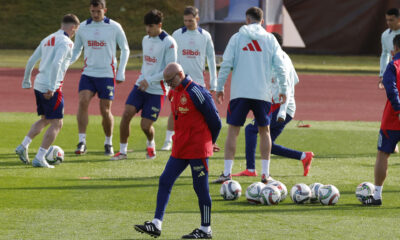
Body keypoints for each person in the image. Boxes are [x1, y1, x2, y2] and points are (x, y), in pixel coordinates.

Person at [134, 63, 221, 239]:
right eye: (165, 82)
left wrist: (210, 142)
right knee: (165, 180)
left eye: (170, 81)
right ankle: (156, 224)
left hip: (197, 149)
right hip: (180, 148)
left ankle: (206, 229)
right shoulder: (173, 93)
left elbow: (216, 121)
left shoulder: (197, 92)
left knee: (200, 188)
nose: (168, 85)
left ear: (180, 74)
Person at [212, 7, 287, 184]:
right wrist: (284, 89)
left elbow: (226, 63)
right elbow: (280, 66)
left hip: (240, 92)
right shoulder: (270, 39)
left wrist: (220, 86)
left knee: (233, 131)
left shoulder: (237, 38)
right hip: (262, 92)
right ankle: (265, 174)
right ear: (262, 21)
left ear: (246, 19)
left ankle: (227, 173)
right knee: (264, 131)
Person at [233, 32, 314, 178]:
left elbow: (289, 85)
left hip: (281, 107)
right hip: (282, 106)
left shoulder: (280, 60)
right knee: (268, 146)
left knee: (251, 130)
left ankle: (250, 170)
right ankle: (304, 156)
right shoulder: (280, 57)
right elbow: (295, 79)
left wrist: (281, 108)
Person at [111, 9, 177, 160]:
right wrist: (144, 79)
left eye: (151, 26)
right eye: (146, 26)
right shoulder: (145, 39)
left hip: (157, 90)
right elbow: (147, 64)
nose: (148, 30)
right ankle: (122, 152)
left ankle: (150, 143)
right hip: (140, 85)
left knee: (145, 126)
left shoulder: (169, 43)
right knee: (126, 114)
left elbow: (170, 69)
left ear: (159, 25)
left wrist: (151, 80)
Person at [15, 14, 80, 168]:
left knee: (46, 119)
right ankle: (40, 157)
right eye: (75, 31)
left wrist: (26, 80)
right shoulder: (67, 43)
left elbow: (32, 59)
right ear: (73, 28)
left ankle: (23, 146)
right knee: (57, 123)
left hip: (38, 84)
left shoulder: (48, 39)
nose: (74, 33)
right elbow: (57, 63)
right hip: (51, 88)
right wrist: (52, 87)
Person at [70, 0, 130, 156]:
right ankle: (82, 141)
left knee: (105, 110)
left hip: (107, 74)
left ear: (105, 10)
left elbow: (125, 49)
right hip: (88, 73)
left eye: (98, 11)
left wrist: (121, 71)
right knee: (83, 101)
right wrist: (66, 63)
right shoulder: (83, 27)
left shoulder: (114, 27)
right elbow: (77, 49)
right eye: (92, 11)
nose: (95, 15)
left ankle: (108, 142)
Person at [161, 5, 218, 151]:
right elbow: (171, 58)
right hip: (179, 82)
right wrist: (169, 84)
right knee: (176, 112)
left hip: (198, 82)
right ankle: (168, 140)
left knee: (203, 114)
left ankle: (208, 140)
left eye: (190, 21)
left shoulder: (205, 36)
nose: (187, 23)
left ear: (197, 19)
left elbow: (211, 59)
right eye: (185, 20)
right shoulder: (177, 34)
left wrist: (214, 82)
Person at [364, 34, 400, 206]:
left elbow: (390, 87)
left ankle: (377, 196)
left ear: (395, 49)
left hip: (393, 119)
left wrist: (398, 108)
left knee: (383, 154)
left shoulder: (393, 65)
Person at [379, 8, 400, 89]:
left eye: (391, 20)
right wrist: (382, 74)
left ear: (399, 19)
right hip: (396, 72)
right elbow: (385, 54)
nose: (388, 23)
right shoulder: (385, 35)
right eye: (387, 20)